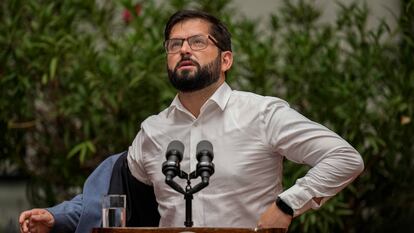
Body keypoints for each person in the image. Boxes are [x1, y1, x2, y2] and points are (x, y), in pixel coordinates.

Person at [19, 9, 364, 232]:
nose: (184, 49)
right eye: (175, 44)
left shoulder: (262, 113)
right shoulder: (153, 131)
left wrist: (287, 204)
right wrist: (59, 217)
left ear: (226, 59)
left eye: (198, 42)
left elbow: (344, 157)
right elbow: (112, 194)